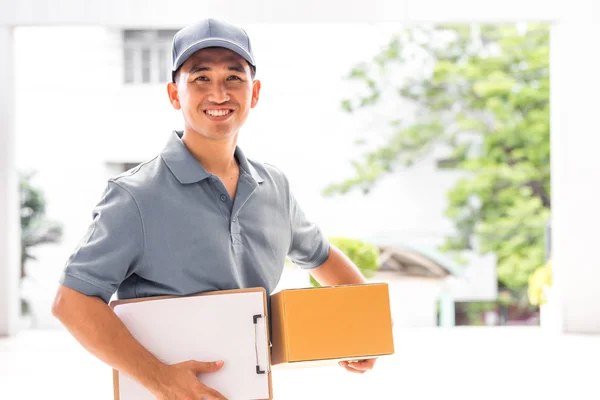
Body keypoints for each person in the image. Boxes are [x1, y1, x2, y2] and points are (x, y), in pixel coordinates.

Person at [51, 18, 376, 400]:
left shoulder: (274, 187)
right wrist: (161, 379)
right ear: (175, 94)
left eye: (233, 78)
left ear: (254, 93)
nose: (218, 93)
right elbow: (71, 302)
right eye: (200, 78)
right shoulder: (135, 196)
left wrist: (365, 331)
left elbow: (321, 257)